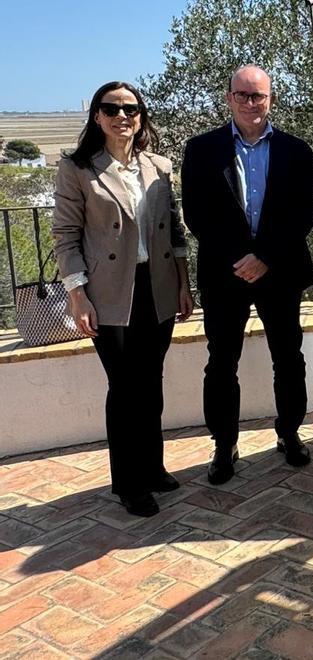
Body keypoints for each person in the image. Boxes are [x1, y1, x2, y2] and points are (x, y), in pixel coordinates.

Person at [52, 82, 193, 517]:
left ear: (141, 115)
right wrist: (77, 296)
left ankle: (152, 467)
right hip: (111, 293)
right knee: (125, 386)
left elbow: (175, 230)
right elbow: (65, 236)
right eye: (110, 108)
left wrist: (184, 284)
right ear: (96, 116)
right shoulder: (78, 169)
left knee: (150, 382)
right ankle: (128, 482)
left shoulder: (159, 166)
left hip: (159, 286)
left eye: (130, 108)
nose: (121, 116)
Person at [182, 65, 313, 485]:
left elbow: (303, 215)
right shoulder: (201, 149)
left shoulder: (297, 151)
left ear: (270, 99)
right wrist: (240, 257)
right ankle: (224, 446)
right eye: (242, 95)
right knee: (221, 363)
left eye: (258, 95)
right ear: (229, 98)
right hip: (225, 275)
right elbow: (196, 215)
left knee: (289, 358)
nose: (250, 103)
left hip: (280, 272)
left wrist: (265, 257)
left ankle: (289, 434)